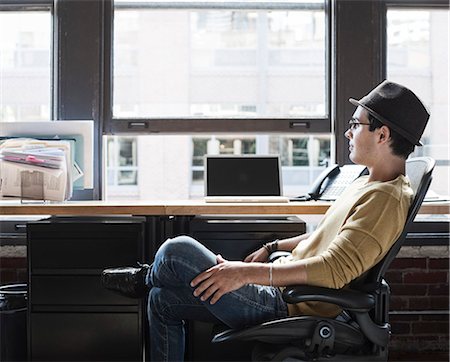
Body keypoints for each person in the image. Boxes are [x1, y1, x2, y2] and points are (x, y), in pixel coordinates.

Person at [102, 80, 430, 361]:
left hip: (288, 304)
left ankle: (144, 277)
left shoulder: (385, 200)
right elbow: (322, 239)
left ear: (382, 134)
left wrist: (244, 273)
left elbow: (332, 270)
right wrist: (272, 246)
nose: (348, 131)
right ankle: (148, 280)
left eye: (356, 124)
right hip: (281, 288)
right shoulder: (367, 182)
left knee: (178, 250)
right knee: (163, 301)